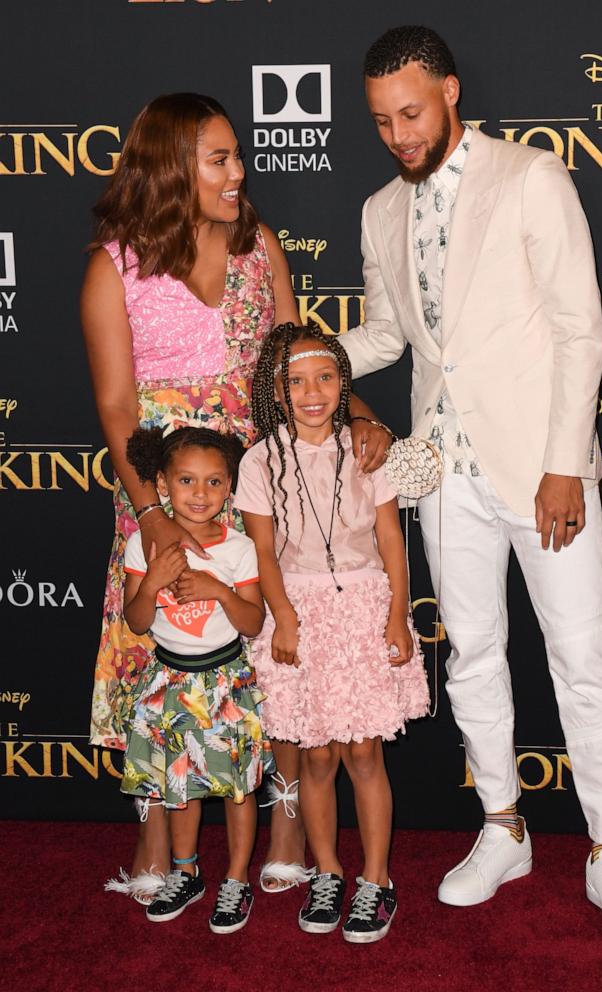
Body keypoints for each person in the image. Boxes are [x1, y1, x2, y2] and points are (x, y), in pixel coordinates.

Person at [339, 26, 602, 939]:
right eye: (380, 121)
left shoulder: (529, 177)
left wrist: (566, 464)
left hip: (538, 469)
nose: (399, 134)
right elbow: (389, 336)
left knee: (583, 662)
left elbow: (578, 330)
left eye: (410, 112)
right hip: (443, 473)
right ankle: (502, 828)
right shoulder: (377, 212)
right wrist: (309, 353)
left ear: (448, 92)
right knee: (472, 655)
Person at [82, 92, 390, 899]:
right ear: (169, 169)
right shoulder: (113, 265)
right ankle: (159, 836)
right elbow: (116, 407)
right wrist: (150, 513)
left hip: (256, 482)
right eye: (218, 158)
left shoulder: (261, 247)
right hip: (163, 491)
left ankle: (287, 821)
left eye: (236, 155)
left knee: (265, 646)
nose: (239, 172)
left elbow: (293, 356)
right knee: (162, 647)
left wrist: (363, 417)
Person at [234, 322, 429, 943]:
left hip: (365, 605)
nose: (311, 392)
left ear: (344, 383)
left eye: (325, 377)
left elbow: (392, 540)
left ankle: (376, 880)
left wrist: (397, 614)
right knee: (316, 757)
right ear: (276, 390)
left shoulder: (367, 449)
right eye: (295, 382)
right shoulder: (259, 459)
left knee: (365, 753)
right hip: (297, 612)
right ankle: (328, 872)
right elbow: (263, 550)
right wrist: (283, 616)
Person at [120, 425, 271, 931]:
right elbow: (137, 621)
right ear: (162, 483)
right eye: (186, 481)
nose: (200, 494)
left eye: (213, 482)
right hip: (169, 681)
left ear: (229, 487)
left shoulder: (240, 549)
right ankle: (185, 872)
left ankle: (235, 880)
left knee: (236, 789)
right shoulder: (145, 544)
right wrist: (154, 584)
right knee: (178, 785)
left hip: (226, 682)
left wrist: (219, 590)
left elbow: (252, 623)